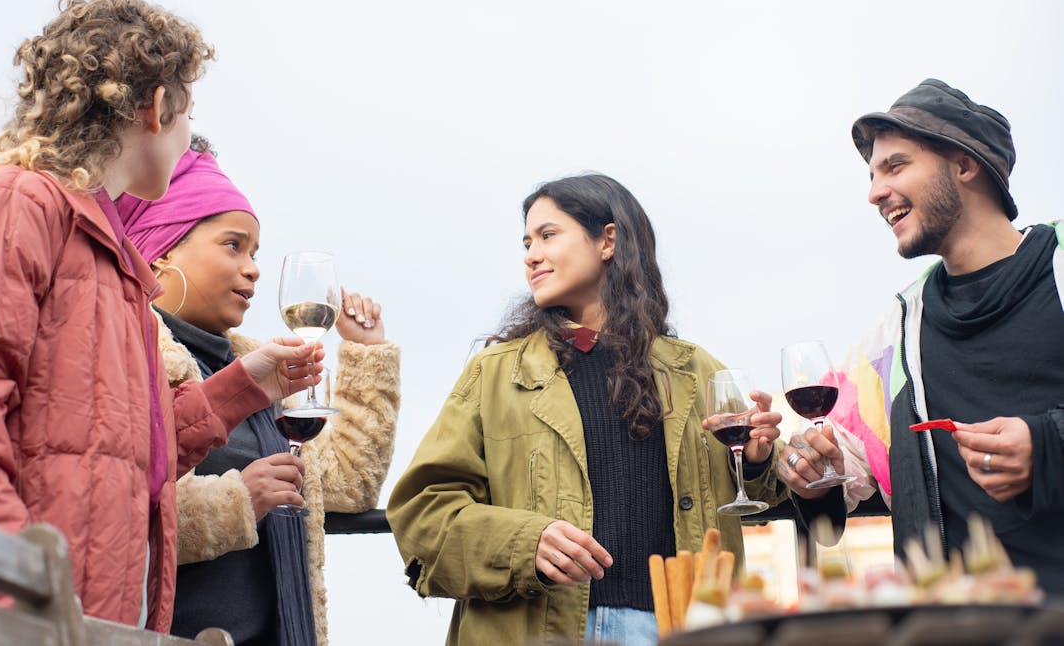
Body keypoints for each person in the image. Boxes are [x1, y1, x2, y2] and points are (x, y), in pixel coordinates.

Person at [0, 0, 322, 632]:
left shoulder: (114, 266)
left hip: (92, 622)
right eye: (186, 112)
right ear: (156, 106)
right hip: (24, 621)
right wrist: (14, 600)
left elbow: (115, 457)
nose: (186, 139)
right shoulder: (21, 204)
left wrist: (240, 389)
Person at [387, 174, 787, 646]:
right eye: (527, 242)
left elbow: (763, 493)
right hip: (539, 632)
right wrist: (525, 542)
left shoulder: (699, 372)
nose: (531, 255)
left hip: (679, 630)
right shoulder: (492, 375)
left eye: (548, 235)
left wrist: (760, 460)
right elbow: (422, 514)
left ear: (608, 241)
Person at [776, 79, 1064, 594]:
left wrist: (1047, 447)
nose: (873, 193)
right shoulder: (896, 329)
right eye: (871, 174)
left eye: (895, 166)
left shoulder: (1057, 271)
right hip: (952, 623)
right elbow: (841, 476)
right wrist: (811, 470)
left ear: (964, 164)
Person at [116, 137, 402, 646]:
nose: (253, 267)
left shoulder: (254, 359)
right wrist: (236, 501)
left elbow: (348, 486)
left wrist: (365, 357)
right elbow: (110, 507)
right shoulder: (127, 348)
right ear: (159, 253)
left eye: (255, 251)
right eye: (233, 245)